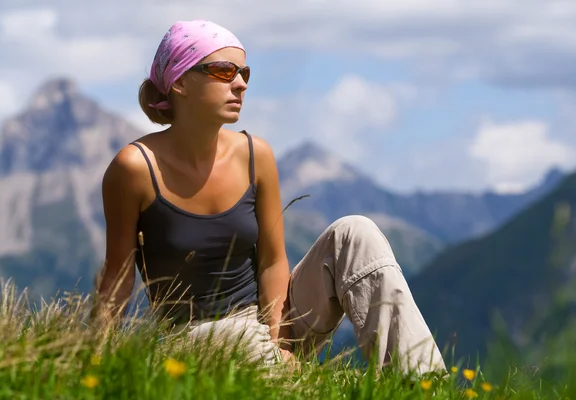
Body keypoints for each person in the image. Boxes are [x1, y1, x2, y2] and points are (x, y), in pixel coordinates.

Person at [93, 19, 447, 376]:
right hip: (195, 335)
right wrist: (95, 358)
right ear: (180, 82)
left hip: (269, 322)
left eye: (244, 72)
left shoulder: (255, 155)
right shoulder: (135, 168)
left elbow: (273, 262)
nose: (241, 83)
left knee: (356, 232)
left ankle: (421, 382)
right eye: (223, 71)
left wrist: (278, 343)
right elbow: (118, 276)